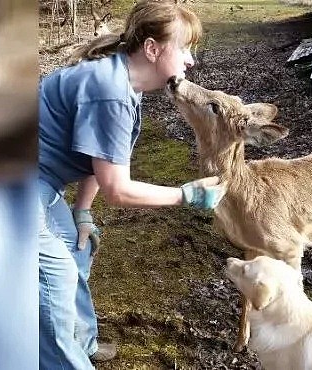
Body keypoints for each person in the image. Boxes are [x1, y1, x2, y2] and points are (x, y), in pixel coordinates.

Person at [38, 1, 223, 368]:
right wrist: (187, 194)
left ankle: (83, 343)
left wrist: (83, 211)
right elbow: (118, 189)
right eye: (184, 48)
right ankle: (63, 359)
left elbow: (97, 156)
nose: (191, 61)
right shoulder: (110, 91)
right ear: (152, 49)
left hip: (41, 184)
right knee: (54, 278)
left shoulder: (125, 82)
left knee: (77, 251)